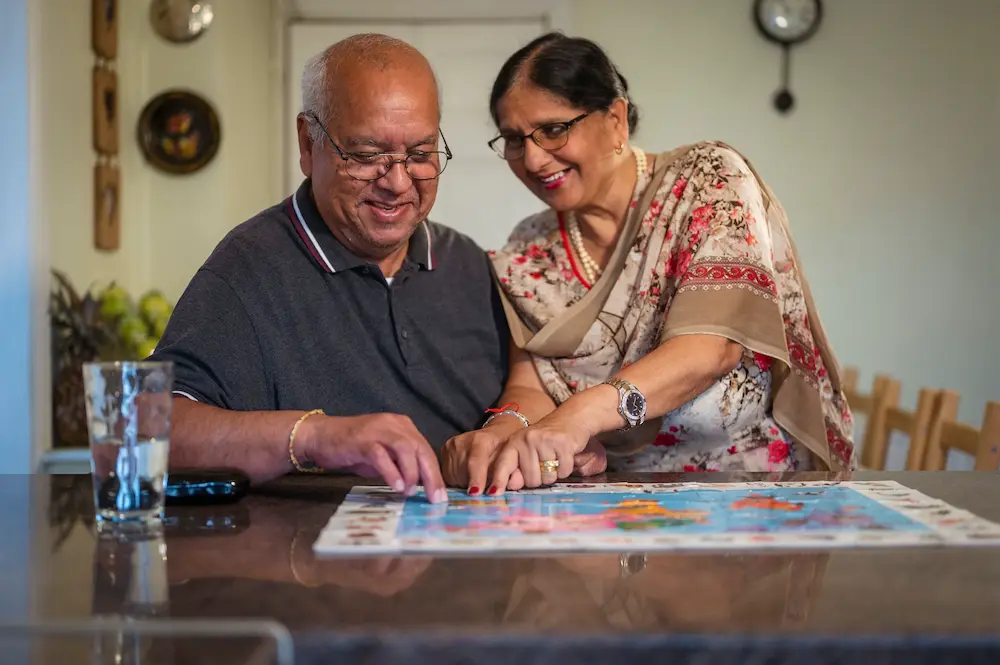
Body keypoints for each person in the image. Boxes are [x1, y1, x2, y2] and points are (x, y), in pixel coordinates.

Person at [441, 33, 855, 494]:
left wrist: (577, 418)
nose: (533, 160)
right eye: (515, 140)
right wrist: (502, 435)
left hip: (749, 498)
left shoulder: (707, 182)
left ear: (615, 120)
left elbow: (709, 350)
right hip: (614, 508)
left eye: (553, 130)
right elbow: (532, 385)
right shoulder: (528, 250)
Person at [150, 34, 512, 503]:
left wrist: (525, 433)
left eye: (421, 155)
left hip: (468, 552)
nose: (398, 182)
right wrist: (315, 437)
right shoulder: (251, 265)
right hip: (311, 562)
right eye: (365, 156)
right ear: (308, 143)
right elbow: (151, 427)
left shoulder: (466, 263)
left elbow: (524, 391)